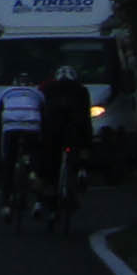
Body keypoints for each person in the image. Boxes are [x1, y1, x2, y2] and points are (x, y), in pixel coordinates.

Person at [42, 64, 96, 217]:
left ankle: (51, 195)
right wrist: (88, 140)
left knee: (51, 162)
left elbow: (44, 111)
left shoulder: (49, 89)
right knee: (78, 150)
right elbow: (85, 116)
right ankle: (81, 170)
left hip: (53, 128)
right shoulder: (81, 90)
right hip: (74, 128)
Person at [0, 69, 47, 217]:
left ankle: (5, 204)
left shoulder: (6, 92)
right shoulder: (37, 93)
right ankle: (37, 192)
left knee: (8, 164)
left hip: (11, 127)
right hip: (32, 126)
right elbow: (44, 115)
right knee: (35, 155)